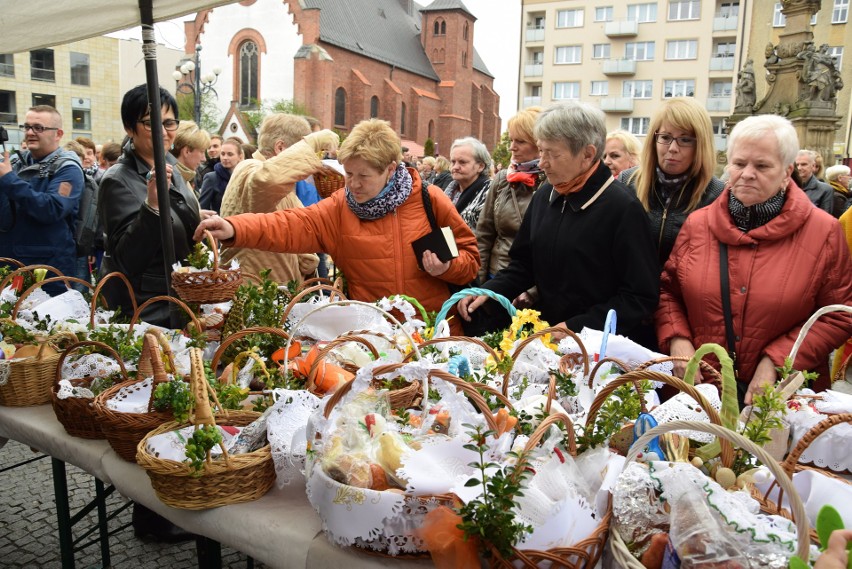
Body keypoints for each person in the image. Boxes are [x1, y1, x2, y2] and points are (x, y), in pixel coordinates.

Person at [195, 118, 480, 333]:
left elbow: (471, 260)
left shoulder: (430, 199)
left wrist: (447, 268)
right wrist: (234, 228)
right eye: (349, 173)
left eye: (364, 176)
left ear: (391, 170)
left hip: (434, 335)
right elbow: (289, 224)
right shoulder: (339, 206)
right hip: (374, 338)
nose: (353, 184)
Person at [657, 114, 852, 405]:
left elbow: (839, 313)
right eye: (739, 164)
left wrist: (779, 360)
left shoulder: (823, 232)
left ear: (787, 172)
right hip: (700, 395)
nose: (747, 173)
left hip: (780, 399)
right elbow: (668, 291)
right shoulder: (698, 224)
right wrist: (677, 338)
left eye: (762, 166)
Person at [458, 101, 659, 346]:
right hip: (547, 338)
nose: (542, 163)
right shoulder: (546, 195)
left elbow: (639, 297)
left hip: (600, 350)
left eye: (552, 154)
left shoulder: (622, 208)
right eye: (541, 151)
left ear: (587, 153)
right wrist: (490, 291)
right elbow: (524, 264)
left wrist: (576, 327)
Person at [98, 84, 206, 326]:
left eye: (169, 123)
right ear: (129, 128)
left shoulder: (170, 166)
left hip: (178, 298)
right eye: (150, 123)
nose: (163, 131)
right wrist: (152, 206)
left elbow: (174, 216)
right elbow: (127, 258)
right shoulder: (117, 179)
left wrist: (195, 217)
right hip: (145, 308)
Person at [219, 113, 331, 286]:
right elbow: (264, 182)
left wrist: (306, 260)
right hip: (253, 294)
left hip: (275, 293)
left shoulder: (283, 184)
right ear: (280, 147)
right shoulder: (249, 167)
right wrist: (311, 144)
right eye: (304, 152)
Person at [620, 97, 725, 268]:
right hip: (632, 292)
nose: (672, 148)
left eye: (685, 139)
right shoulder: (627, 182)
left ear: (701, 145)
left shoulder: (718, 195)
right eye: (665, 137)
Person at [0, 105, 84, 293]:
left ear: (58, 134)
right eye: (27, 127)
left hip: (47, 270)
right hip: (11, 265)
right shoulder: (13, 163)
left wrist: (8, 179)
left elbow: (52, 208)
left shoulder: (68, 169)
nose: (30, 133)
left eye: (38, 128)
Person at [476, 107, 545, 321]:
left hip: (535, 289)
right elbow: (485, 233)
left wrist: (534, 292)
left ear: (539, 144)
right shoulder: (502, 179)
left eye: (521, 141)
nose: (512, 147)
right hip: (497, 277)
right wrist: (481, 284)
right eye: (511, 140)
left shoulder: (554, 183)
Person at [445, 137, 492, 230]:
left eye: (462, 162)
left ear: (480, 166)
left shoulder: (490, 193)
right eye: (453, 162)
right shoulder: (448, 192)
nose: (455, 167)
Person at [199, 137, 244, 213]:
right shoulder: (211, 178)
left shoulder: (244, 177)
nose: (225, 158)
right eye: (222, 154)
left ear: (240, 156)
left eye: (230, 154)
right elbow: (202, 208)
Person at [168, 120, 210, 195]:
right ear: (187, 151)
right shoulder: (170, 181)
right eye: (202, 151)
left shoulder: (182, 178)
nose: (204, 159)